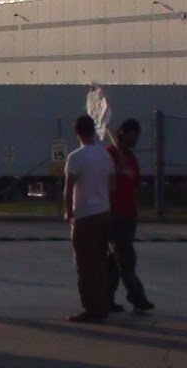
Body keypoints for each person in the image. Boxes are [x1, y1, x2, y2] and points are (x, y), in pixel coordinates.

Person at [62, 113, 114, 323]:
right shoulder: (105, 155)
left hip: (85, 216)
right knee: (100, 263)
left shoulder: (75, 157)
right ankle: (102, 304)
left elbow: (68, 188)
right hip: (104, 213)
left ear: (77, 133)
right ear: (93, 130)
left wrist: (68, 212)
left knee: (85, 264)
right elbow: (113, 185)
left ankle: (91, 307)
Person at [104, 118, 154, 313]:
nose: (136, 139)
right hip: (114, 214)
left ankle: (105, 297)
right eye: (134, 135)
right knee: (125, 257)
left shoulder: (131, 158)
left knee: (114, 261)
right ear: (123, 133)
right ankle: (137, 297)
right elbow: (104, 184)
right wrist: (115, 171)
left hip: (128, 213)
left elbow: (134, 185)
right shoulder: (109, 155)